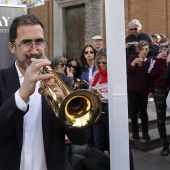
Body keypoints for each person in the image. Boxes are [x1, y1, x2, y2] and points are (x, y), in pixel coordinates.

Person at [0, 14, 89, 170]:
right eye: (26, 42)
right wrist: (21, 96)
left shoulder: (64, 81)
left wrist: (64, 109)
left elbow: (81, 138)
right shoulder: (1, 79)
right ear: (12, 47)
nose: (34, 50)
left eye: (39, 42)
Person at [148, 38, 170, 156]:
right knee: (160, 118)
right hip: (160, 90)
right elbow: (151, 73)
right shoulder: (154, 59)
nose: (164, 49)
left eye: (166, 46)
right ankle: (165, 144)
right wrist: (157, 59)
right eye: (161, 47)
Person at [127, 40, 151, 141]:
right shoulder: (133, 58)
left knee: (144, 112)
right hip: (133, 89)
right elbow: (128, 71)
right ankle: (135, 132)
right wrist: (133, 63)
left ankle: (145, 133)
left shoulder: (148, 61)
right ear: (138, 50)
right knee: (133, 112)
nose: (144, 51)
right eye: (142, 49)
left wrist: (150, 90)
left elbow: (150, 77)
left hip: (144, 90)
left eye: (146, 49)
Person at [90, 48, 109, 152]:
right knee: (98, 142)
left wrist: (101, 95)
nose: (102, 64)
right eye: (99, 62)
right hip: (97, 108)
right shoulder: (97, 73)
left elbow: (115, 96)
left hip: (109, 109)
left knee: (112, 141)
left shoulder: (114, 74)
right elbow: (91, 87)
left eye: (104, 62)